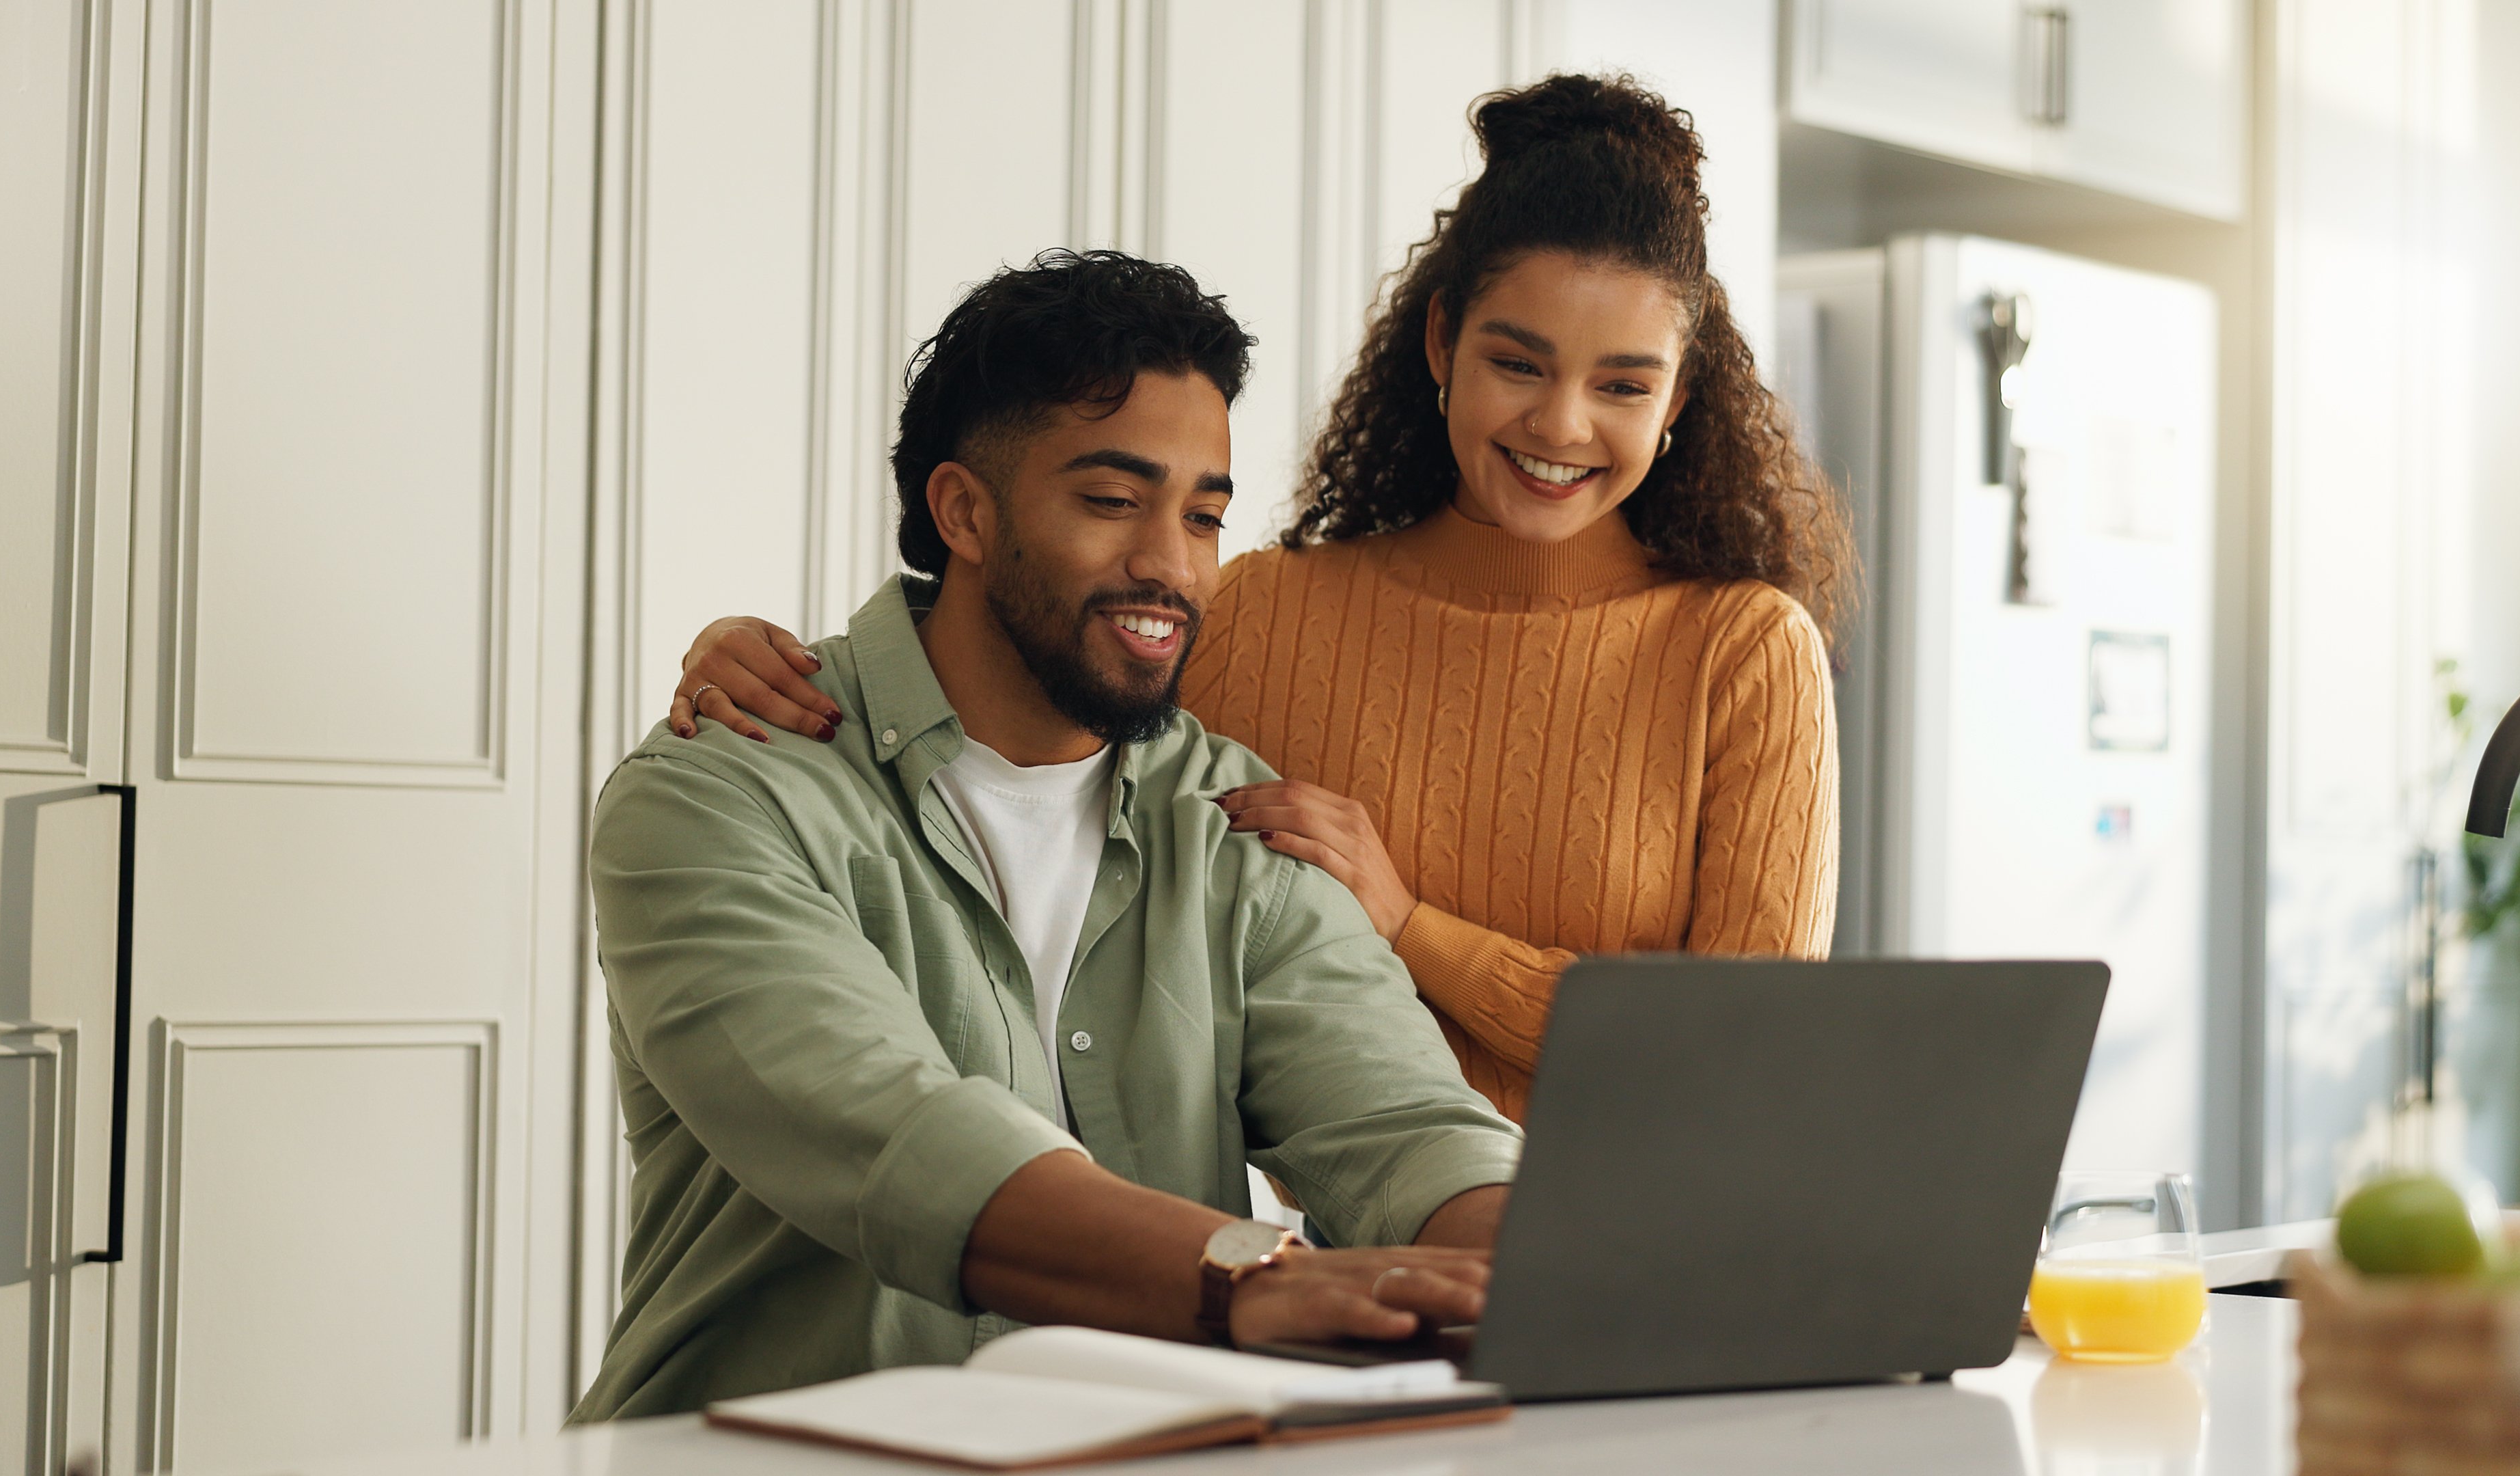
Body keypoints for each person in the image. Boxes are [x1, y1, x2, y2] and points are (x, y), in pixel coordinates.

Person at [665, 74, 1853, 1123]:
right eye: (1518, 362)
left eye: (1624, 384)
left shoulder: (1743, 651)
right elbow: (1007, 689)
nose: (1561, 425)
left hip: (1665, 1278)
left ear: (1681, 399)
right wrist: (760, 659)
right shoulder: (1262, 611)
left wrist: (1412, 927)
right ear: (1441, 341)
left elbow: (1742, 1059)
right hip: (1341, 1294)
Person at [574, 250, 1519, 1421]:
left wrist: (1529, 1272)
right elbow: (896, 1136)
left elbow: (1404, 1126)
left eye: (1205, 516)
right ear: (965, 511)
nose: (1170, 567)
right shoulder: (719, 797)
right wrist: (1245, 1278)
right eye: (1113, 502)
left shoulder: (1235, 824)